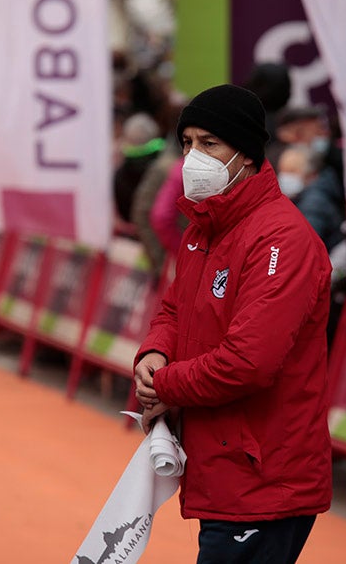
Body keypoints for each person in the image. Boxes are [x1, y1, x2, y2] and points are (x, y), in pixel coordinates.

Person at [133, 84, 332, 564]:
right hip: (226, 467)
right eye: (187, 143)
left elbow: (249, 361)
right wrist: (154, 354)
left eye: (209, 143)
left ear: (246, 153)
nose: (192, 157)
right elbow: (175, 309)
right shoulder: (205, 228)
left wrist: (166, 384)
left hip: (265, 477)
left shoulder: (281, 239)